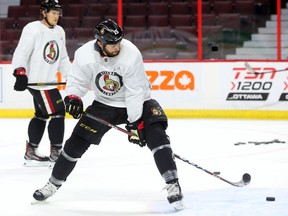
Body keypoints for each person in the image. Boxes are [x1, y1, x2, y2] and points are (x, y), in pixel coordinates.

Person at [33, 19, 184, 210]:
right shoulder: (84, 54)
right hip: (104, 104)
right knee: (75, 143)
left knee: (157, 134)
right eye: (112, 44)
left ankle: (173, 184)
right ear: (100, 43)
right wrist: (73, 97)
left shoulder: (131, 54)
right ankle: (52, 184)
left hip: (139, 102)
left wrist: (136, 123)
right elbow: (77, 80)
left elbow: (135, 92)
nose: (117, 47)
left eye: (119, 42)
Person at [12, 0, 71, 166]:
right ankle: (56, 153)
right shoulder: (32, 29)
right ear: (43, 12)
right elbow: (21, 53)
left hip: (48, 81)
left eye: (58, 13)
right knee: (58, 111)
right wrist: (20, 72)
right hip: (38, 83)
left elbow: (63, 57)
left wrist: (72, 77)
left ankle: (31, 151)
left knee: (42, 115)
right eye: (53, 12)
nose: (56, 16)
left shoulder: (60, 31)